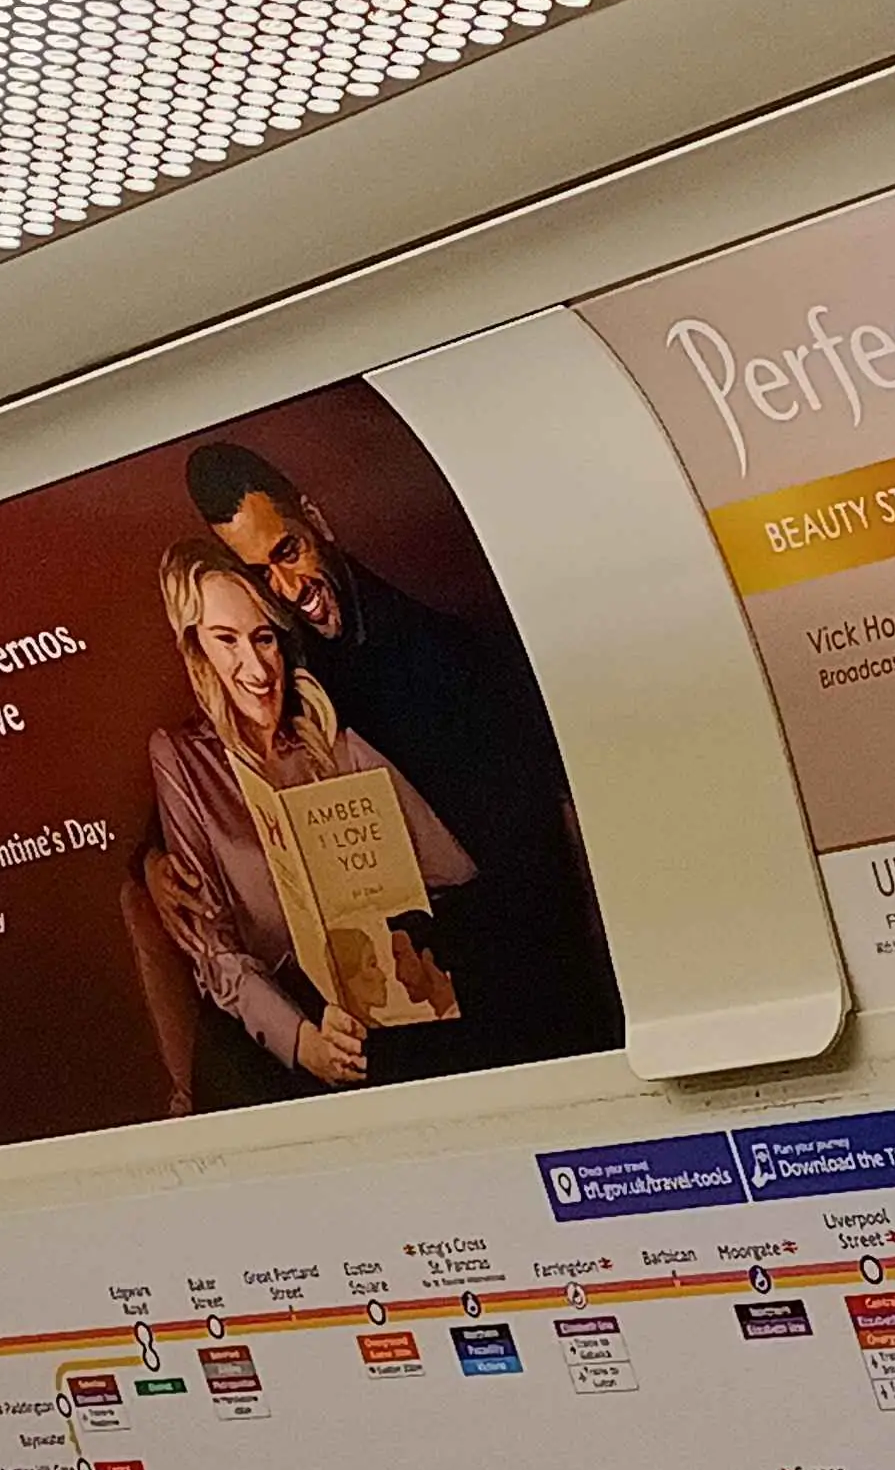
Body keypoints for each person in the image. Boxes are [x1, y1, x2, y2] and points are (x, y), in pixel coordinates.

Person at [183, 438, 620, 1059]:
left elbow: (540, 866)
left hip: (505, 977)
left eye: (288, 551)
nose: (286, 588)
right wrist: (152, 863)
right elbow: (223, 754)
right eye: (259, 576)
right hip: (380, 982)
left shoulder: (450, 657)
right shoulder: (280, 661)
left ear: (318, 520)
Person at [142, 537, 479, 1091]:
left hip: (384, 1007)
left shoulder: (333, 741)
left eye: (264, 638)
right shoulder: (181, 759)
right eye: (226, 640)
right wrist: (301, 1041)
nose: (254, 667)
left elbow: (450, 878)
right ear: (197, 650)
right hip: (278, 1023)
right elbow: (213, 950)